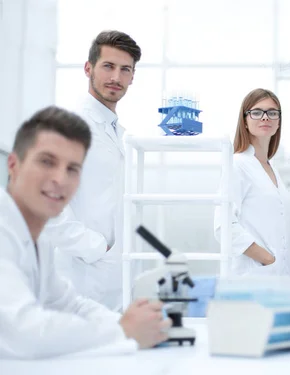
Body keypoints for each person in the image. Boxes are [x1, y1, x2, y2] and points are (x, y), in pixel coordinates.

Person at [0, 106, 171, 359]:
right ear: (13, 164)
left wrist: (128, 321)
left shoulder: (38, 238)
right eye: (47, 162)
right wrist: (123, 331)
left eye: (73, 169)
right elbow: (26, 333)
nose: (60, 178)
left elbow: (68, 304)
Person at [43, 30, 142, 311]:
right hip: (79, 276)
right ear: (89, 68)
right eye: (108, 66)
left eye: (125, 70)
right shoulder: (69, 126)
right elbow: (45, 203)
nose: (116, 78)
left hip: (111, 279)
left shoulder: (114, 132)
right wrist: (96, 248)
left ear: (132, 77)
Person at [214, 89, 290, 282]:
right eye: (257, 112)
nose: (265, 118)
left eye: (272, 113)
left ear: (278, 122)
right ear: (245, 121)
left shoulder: (271, 168)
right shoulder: (237, 164)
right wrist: (268, 259)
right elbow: (223, 225)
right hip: (253, 276)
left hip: (280, 278)